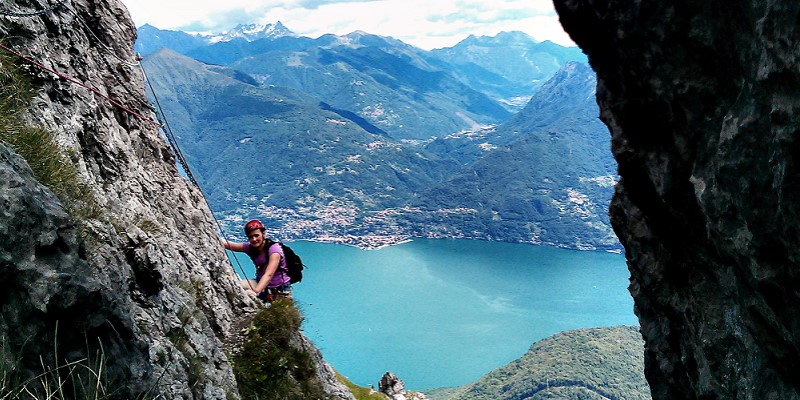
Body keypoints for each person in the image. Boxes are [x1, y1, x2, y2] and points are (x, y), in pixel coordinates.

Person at [220, 219, 292, 302]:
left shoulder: (274, 250)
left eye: (256, 235)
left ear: (263, 234)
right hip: (261, 285)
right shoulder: (251, 248)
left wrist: (255, 291)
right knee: (238, 287)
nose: (254, 239)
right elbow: (229, 245)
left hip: (280, 290)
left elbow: (268, 274)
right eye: (250, 237)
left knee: (280, 313)